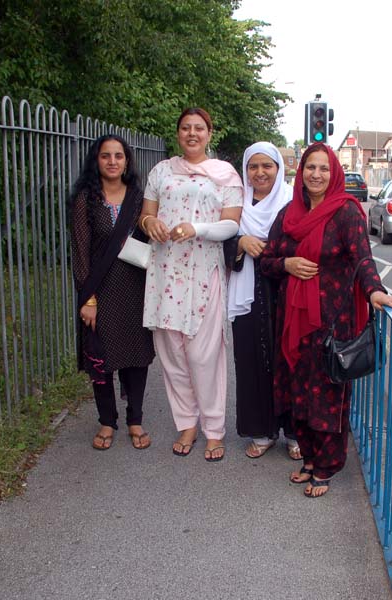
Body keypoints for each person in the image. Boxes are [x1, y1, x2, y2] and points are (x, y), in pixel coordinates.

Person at [260, 142, 392, 498]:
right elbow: (267, 261)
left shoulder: (347, 213)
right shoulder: (288, 214)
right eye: (310, 167)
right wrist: (287, 264)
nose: (316, 175)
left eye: (324, 168)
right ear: (301, 171)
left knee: (328, 394)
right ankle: (308, 458)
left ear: (334, 172)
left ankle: (326, 466)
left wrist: (374, 292)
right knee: (298, 391)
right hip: (294, 320)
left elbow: (362, 260)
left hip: (332, 322)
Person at [139, 108, 243, 462]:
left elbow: (231, 225)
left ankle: (214, 429)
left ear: (210, 133)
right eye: (186, 128)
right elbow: (146, 214)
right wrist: (151, 222)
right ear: (178, 133)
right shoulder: (161, 171)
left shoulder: (225, 175)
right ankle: (186, 422)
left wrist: (197, 228)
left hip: (204, 271)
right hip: (166, 271)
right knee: (171, 353)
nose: (192, 134)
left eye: (199, 128)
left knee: (203, 354)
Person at [69, 134, 155, 451]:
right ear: (96, 160)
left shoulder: (138, 197)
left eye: (118, 156)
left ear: (127, 161)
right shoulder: (85, 200)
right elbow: (80, 252)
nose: (113, 162)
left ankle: (136, 420)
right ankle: (107, 420)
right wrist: (87, 298)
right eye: (106, 156)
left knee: (136, 357)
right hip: (99, 291)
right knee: (100, 358)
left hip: (135, 287)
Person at [223, 142, 299, 460]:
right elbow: (222, 241)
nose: (260, 172)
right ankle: (262, 430)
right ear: (246, 171)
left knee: (291, 359)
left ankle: (296, 433)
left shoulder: (293, 202)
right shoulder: (236, 204)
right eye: (253, 166)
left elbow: (304, 242)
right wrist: (240, 241)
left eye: (267, 165)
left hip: (286, 290)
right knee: (252, 359)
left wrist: (272, 248)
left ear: (278, 169)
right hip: (248, 293)